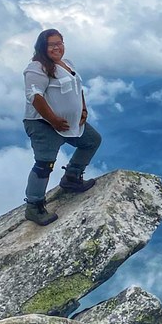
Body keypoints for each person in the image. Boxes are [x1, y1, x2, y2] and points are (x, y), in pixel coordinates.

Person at [22, 28, 101, 225]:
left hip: (68, 123)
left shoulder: (67, 64)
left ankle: (72, 178)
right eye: (51, 45)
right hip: (43, 124)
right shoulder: (36, 68)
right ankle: (34, 206)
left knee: (92, 141)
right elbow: (35, 97)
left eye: (59, 43)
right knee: (44, 164)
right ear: (42, 47)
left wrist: (83, 110)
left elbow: (77, 89)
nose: (57, 47)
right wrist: (53, 120)